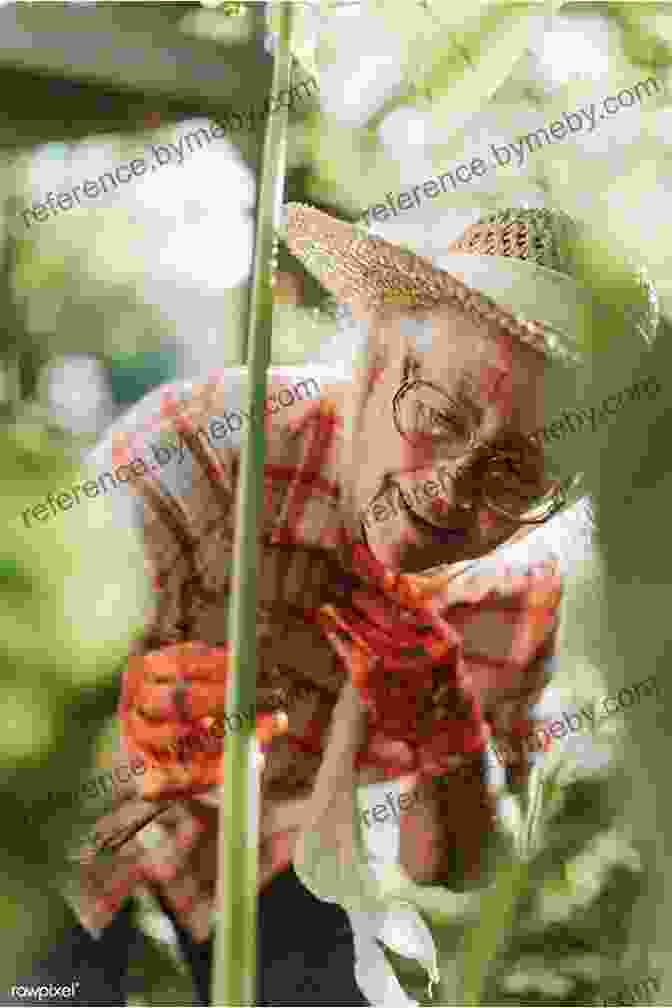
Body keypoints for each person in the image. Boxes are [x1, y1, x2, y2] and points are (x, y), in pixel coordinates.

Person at [63, 205, 655, 1004]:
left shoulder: (519, 589)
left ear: (562, 500)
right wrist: (114, 727)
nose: (449, 492)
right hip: (71, 838)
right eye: (439, 418)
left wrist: (445, 735)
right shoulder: (205, 445)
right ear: (377, 363)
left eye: (515, 477)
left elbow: (453, 866)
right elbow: (22, 691)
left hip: (283, 861)